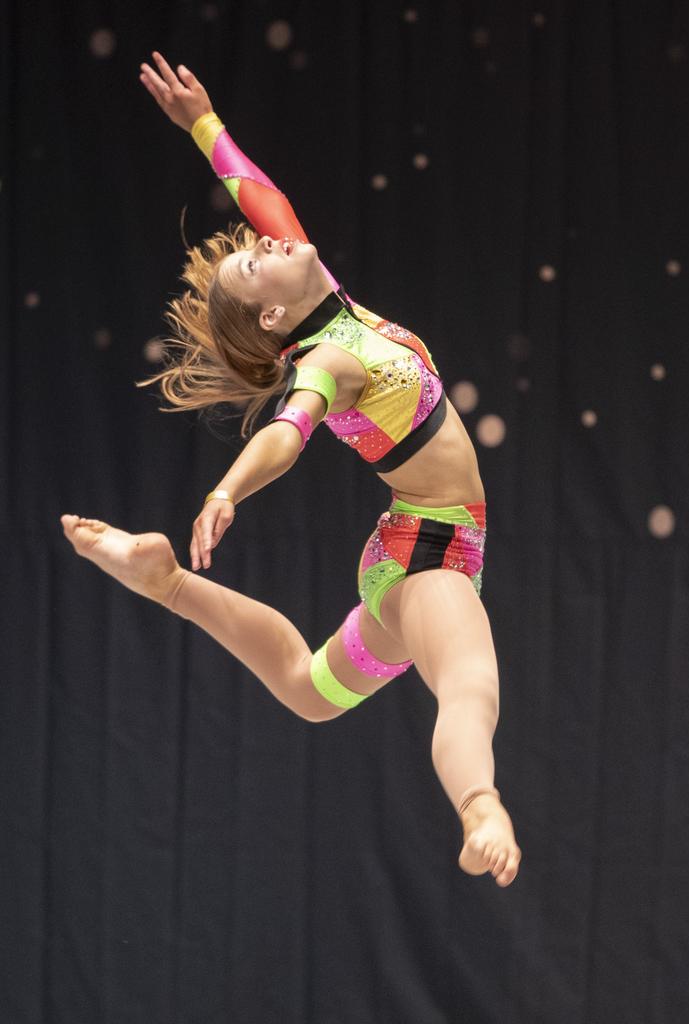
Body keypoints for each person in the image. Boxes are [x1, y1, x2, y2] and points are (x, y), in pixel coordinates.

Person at [60, 51, 521, 887]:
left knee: (310, 690)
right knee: (468, 687)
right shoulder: (328, 361)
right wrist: (227, 489)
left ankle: (166, 584)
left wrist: (203, 124)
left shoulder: (332, 307)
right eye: (252, 259)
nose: (267, 241)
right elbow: (288, 429)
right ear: (273, 312)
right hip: (430, 555)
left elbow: (262, 198)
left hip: (407, 550)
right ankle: (480, 804)